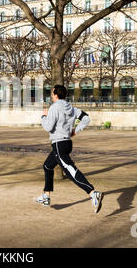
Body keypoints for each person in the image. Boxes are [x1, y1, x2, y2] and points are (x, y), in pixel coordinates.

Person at [36, 85, 104, 213]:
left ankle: (92, 192)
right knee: (47, 166)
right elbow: (86, 118)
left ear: (55, 94)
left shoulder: (54, 107)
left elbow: (49, 127)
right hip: (66, 143)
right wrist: (75, 131)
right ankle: (46, 196)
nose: (51, 94)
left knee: (70, 170)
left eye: (52, 92)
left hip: (58, 143)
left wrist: (43, 117)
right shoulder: (71, 107)